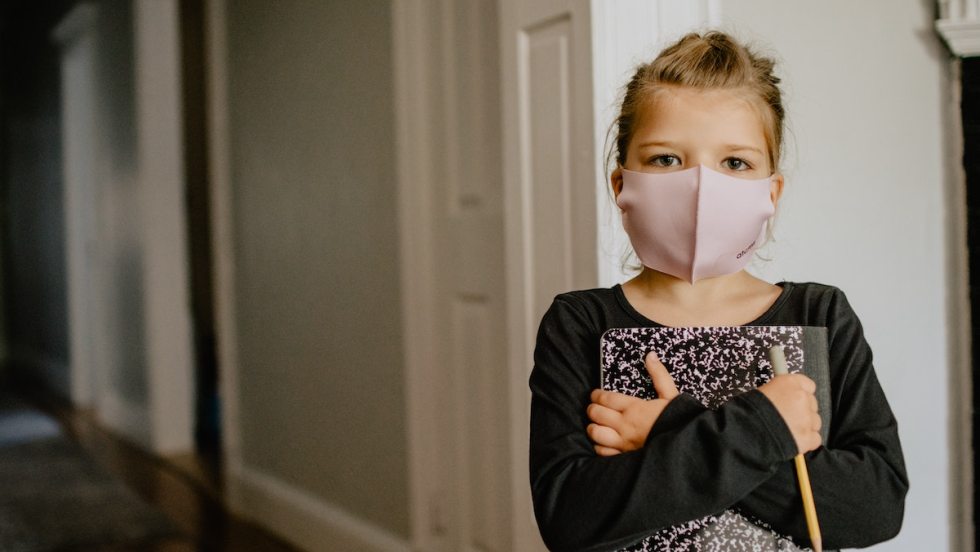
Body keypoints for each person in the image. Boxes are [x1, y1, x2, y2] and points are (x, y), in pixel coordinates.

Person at [528, 30, 908, 552]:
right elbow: (570, 520)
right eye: (666, 159)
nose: (701, 188)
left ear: (770, 192)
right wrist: (763, 430)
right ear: (621, 184)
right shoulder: (580, 324)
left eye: (735, 163)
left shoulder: (821, 314)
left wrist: (671, 430)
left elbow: (875, 508)